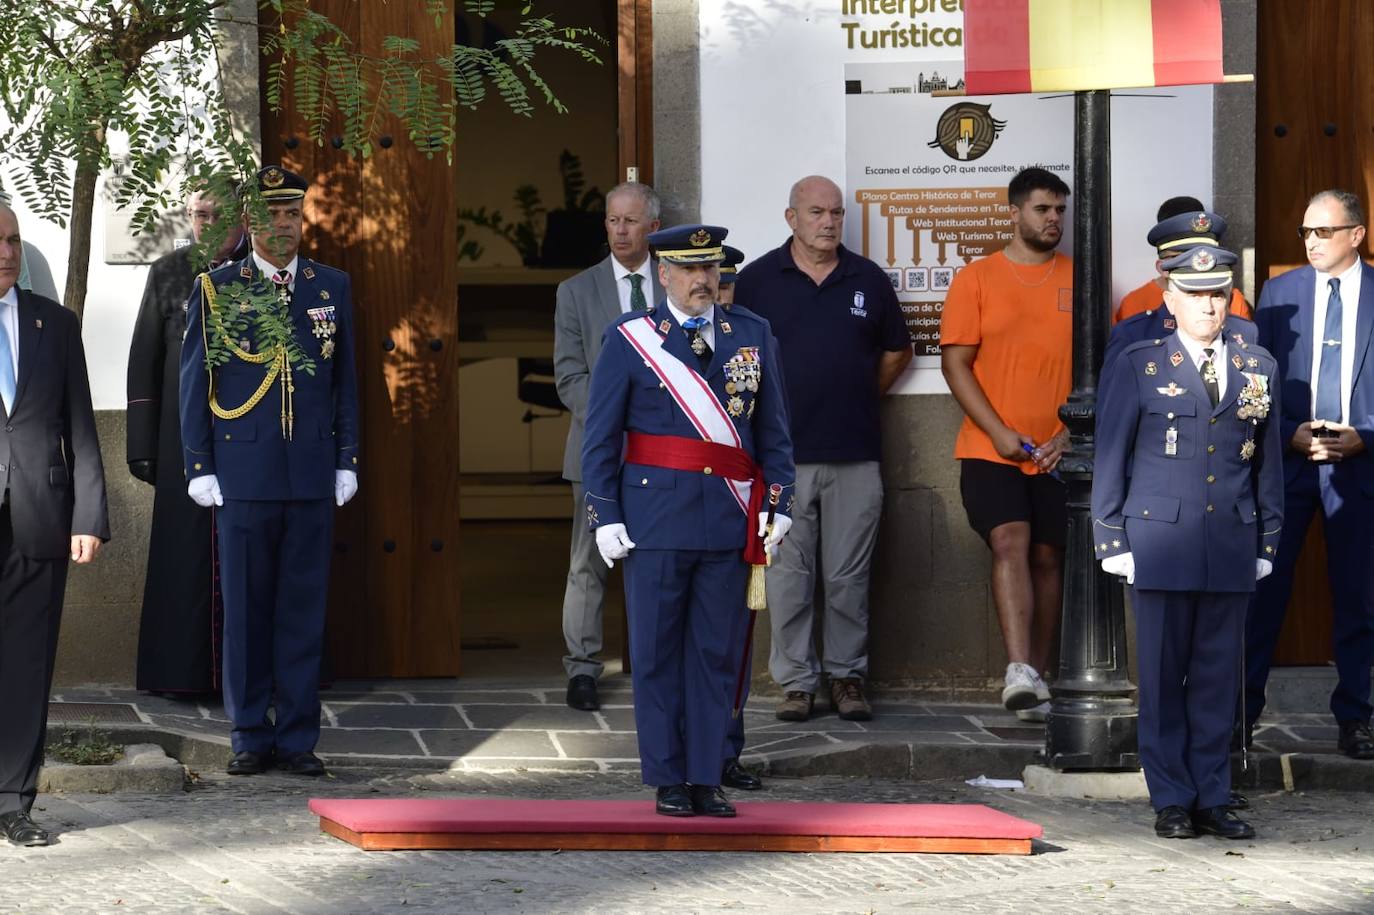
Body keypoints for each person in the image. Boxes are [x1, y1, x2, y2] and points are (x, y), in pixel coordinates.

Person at [581, 223, 795, 817]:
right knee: (655, 654)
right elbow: (601, 438)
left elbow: (775, 433)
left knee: (715, 655)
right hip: (654, 520)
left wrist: (778, 503)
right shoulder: (630, 338)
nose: (703, 279)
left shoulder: (751, 334)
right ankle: (668, 777)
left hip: (729, 518)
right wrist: (604, 514)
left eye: (710, 268)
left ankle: (706, 776)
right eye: (690, 269)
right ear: (664, 274)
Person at [1093, 244, 1282, 839]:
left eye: (1218, 293)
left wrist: (1267, 540)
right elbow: (1111, 454)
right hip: (1160, 541)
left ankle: (1212, 795)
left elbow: (1267, 464)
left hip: (1230, 539)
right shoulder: (1141, 363)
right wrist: (1111, 537)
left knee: (1217, 679)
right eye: (1195, 294)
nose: (1208, 304)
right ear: (1169, 299)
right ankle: (1171, 797)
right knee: (1162, 677)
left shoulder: (1257, 365)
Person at [179, 165, 360, 777]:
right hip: (243, 473)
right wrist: (200, 465)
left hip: (310, 472)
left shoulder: (330, 286)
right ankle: (250, 734)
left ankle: (299, 736)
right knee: (246, 613)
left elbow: (345, 383)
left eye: (291, 214)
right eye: (269, 215)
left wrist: (346, 458)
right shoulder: (217, 289)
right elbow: (194, 382)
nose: (282, 226)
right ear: (249, 220)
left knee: (302, 612)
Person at [734, 176, 911, 724]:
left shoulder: (868, 280)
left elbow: (897, 351)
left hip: (854, 454)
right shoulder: (757, 281)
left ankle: (846, 677)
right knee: (788, 577)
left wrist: (856, 395)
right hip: (781, 460)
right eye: (816, 212)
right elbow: (737, 360)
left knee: (847, 577)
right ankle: (796, 683)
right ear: (792, 218)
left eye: (836, 213)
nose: (828, 222)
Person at [939, 167, 1072, 723]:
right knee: (1009, 541)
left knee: (1048, 555)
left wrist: (1069, 436)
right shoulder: (976, 278)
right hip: (989, 446)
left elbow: (1102, 370)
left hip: (1059, 450)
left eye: (1059, 210)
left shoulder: (1080, 279)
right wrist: (997, 430)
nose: (1053, 219)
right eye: (1042, 209)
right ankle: (1018, 669)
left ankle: (1037, 678)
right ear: (1013, 212)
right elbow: (955, 363)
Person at [1245, 189, 1374, 761]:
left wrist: (1366, 436)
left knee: (1359, 598)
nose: (1312, 242)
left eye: (1324, 231)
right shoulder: (1281, 293)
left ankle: (1357, 717)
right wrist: (1284, 432)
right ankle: (1240, 715)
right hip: (1290, 464)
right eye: (1306, 232)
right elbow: (1255, 380)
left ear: (1356, 234)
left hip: (1360, 468)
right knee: (1262, 592)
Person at [0, 203, 109, 847]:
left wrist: (88, 515)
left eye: (13, 240)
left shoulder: (56, 324)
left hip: (39, 517)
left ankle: (14, 801)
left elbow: (82, 429)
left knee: (26, 664)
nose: (6, 252)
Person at [128, 186, 248, 696]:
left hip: (248, 443)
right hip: (181, 443)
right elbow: (145, 359)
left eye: (220, 215)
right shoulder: (168, 273)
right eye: (200, 215)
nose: (209, 225)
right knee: (184, 558)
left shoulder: (262, 273)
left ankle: (247, 677)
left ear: (244, 218)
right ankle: (179, 675)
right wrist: (142, 446)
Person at [553, 181, 663, 712]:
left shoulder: (674, 281)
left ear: (653, 228)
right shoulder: (576, 291)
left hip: (663, 454)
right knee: (589, 562)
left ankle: (656, 663)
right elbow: (569, 376)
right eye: (613, 220)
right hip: (597, 451)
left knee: (658, 561)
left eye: (631, 221)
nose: (620, 231)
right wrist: (612, 423)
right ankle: (582, 669)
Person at [714, 242, 760, 790]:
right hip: (681, 504)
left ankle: (728, 750)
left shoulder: (754, 335)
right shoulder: (658, 337)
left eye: (726, 284)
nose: (718, 294)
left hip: (741, 502)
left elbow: (771, 422)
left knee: (734, 638)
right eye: (712, 281)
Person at [1105, 208, 1258, 373]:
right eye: (1184, 260)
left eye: (1207, 257)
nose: (1199, 265)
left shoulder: (1243, 330)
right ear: (1163, 268)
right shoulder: (1133, 332)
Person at [1116, 196, 1251, 324]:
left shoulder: (1232, 300)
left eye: (1198, 255)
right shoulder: (1135, 303)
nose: (1190, 264)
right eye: (1181, 257)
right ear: (1162, 266)